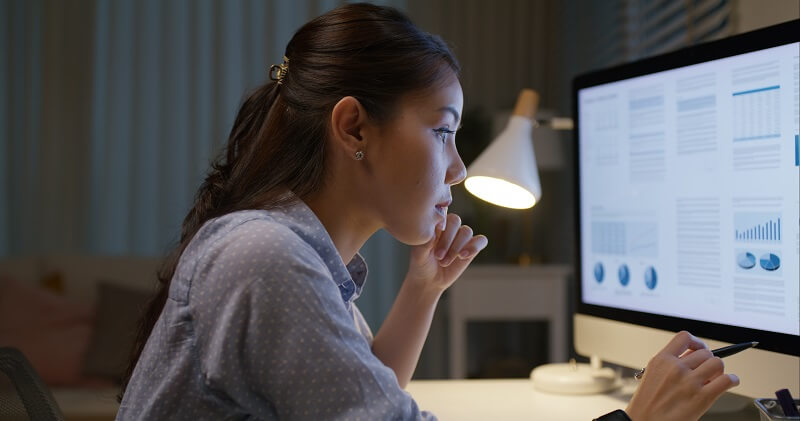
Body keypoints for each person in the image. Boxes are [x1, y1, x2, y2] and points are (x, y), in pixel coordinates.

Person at [117, 3, 739, 420]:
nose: (459, 168)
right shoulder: (266, 257)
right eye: (443, 131)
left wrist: (423, 289)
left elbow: (362, 394)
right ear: (354, 127)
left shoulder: (295, 253)